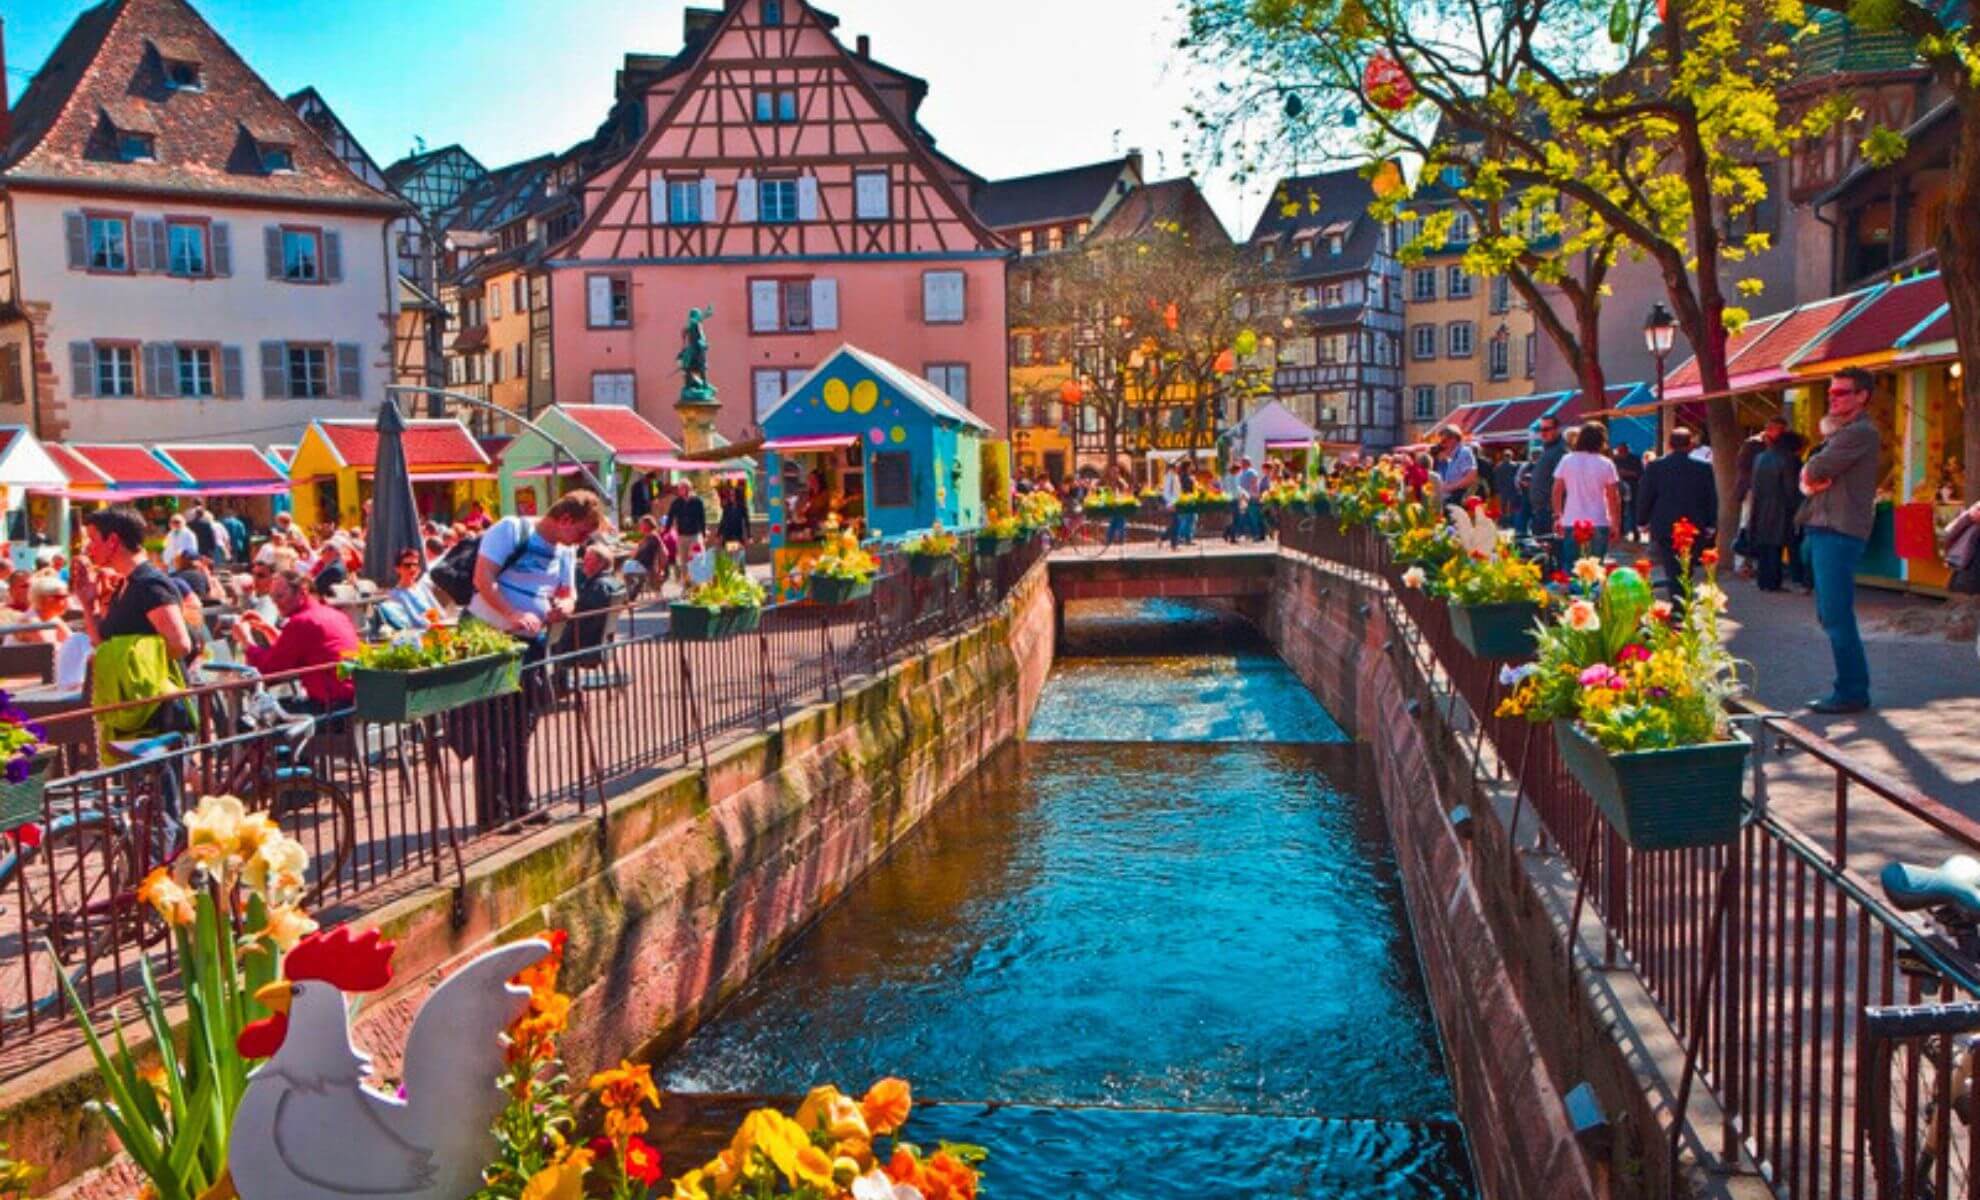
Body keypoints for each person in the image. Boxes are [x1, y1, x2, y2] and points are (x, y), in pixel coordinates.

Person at [465, 491, 606, 823]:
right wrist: (512, 614)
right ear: (565, 520)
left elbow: (567, 593)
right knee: (492, 727)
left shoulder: (567, 551)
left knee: (523, 724)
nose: (584, 541)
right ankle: (492, 812)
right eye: (583, 532)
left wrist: (564, 608)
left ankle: (520, 804)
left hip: (532, 642)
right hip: (492, 640)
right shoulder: (511, 530)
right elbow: (483, 579)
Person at [74, 506, 195, 765]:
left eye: (93, 540)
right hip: (135, 709)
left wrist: (131, 658)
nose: (88, 548)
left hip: (157, 713)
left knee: (164, 796)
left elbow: (180, 644)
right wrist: (88, 603)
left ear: (114, 540)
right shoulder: (126, 583)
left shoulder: (150, 584)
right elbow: (102, 642)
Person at [1798, 367, 1882, 714]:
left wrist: (1812, 473)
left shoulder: (1860, 433)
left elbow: (1813, 471)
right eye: (1831, 392)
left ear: (1862, 396)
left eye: (1841, 393)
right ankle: (1851, 688)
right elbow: (1808, 475)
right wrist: (1811, 475)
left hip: (1839, 531)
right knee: (1828, 613)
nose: (1832, 398)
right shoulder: (1841, 433)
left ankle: (1851, 690)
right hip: (1822, 528)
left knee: (1835, 615)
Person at [231, 569, 360, 715]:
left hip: (330, 710)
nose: (276, 604)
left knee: (254, 715)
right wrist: (268, 630)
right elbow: (295, 652)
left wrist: (246, 640)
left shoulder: (302, 622)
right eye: (273, 599)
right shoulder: (333, 614)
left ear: (301, 592)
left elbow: (269, 669)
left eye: (280, 596)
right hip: (352, 702)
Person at [1635, 427, 1718, 601]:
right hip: (1694, 524)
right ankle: (1682, 600)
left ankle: (1679, 602)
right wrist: (1711, 523)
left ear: (1669, 444)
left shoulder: (1656, 467)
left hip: (1665, 524)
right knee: (1687, 566)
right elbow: (1711, 497)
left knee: (1672, 565)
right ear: (1690, 445)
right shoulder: (1703, 468)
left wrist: (1642, 521)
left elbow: (1646, 495)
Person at [1551, 423, 1622, 567]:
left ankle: (1575, 590)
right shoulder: (1606, 463)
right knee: (1596, 568)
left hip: (1571, 520)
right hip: (1599, 520)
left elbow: (1557, 490)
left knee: (1573, 567)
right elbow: (1612, 496)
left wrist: (1558, 516)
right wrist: (1615, 523)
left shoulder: (1567, 460)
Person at [1748, 429, 1803, 593]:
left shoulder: (1760, 457)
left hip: (1760, 504)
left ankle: (1763, 580)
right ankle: (1773, 582)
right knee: (1776, 546)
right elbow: (1790, 488)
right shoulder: (1788, 460)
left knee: (1765, 544)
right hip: (1780, 507)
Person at [1525, 416, 1567, 547]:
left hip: (1549, 512)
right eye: (1540, 429)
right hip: (1541, 510)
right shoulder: (1548, 449)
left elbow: (1562, 484)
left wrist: (1557, 514)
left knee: (1555, 553)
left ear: (1557, 429)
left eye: (1547, 429)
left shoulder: (1560, 451)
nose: (1542, 433)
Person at [6, 572, 70, 648]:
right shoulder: (30, 623)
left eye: (67, 596)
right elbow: (51, 653)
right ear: (44, 599)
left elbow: (71, 641)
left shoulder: (52, 618)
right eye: (61, 597)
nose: (67, 601)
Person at [389, 549, 444, 629]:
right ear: (398, 569)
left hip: (437, 629)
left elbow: (440, 612)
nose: (412, 569)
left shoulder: (422, 587)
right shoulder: (395, 595)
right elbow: (413, 622)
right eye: (407, 565)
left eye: (415, 565)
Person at [1432, 427, 1479, 502]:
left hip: (1460, 498)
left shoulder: (1463, 452)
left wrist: (1449, 487)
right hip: (1452, 497)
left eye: (1444, 441)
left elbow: (1470, 477)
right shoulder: (1453, 456)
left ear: (1453, 439)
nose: (1442, 445)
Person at [1611, 441, 1644, 538]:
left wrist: (1627, 473)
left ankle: (1635, 531)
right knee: (1619, 510)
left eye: (1623, 450)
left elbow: (1640, 473)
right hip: (1618, 487)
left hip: (1633, 487)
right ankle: (1621, 531)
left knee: (1633, 510)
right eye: (1620, 450)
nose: (1621, 452)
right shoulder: (1614, 460)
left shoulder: (1635, 459)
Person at [716, 479, 752, 559]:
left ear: (737, 496)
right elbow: (723, 521)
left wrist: (749, 536)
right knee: (730, 557)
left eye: (733, 495)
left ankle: (738, 570)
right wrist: (718, 534)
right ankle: (734, 570)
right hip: (728, 534)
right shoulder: (727, 507)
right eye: (730, 495)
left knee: (737, 557)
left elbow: (747, 522)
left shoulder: (742, 507)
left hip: (737, 535)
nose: (731, 497)